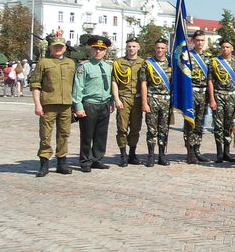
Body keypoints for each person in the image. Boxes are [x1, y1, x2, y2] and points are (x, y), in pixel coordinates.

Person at [30, 35, 75, 177]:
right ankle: (44, 164)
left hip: (66, 104)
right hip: (48, 104)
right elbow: (36, 84)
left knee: (64, 134)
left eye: (60, 46)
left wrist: (75, 104)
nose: (58, 49)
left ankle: (62, 163)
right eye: (55, 46)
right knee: (45, 134)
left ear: (65, 48)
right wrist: (37, 104)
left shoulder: (71, 63)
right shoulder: (43, 62)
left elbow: (75, 85)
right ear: (50, 48)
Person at [72, 35, 114, 172]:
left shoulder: (108, 67)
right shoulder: (84, 67)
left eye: (101, 49)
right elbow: (78, 87)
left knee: (101, 135)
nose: (98, 51)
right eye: (95, 49)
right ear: (91, 50)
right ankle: (85, 161)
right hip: (89, 104)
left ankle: (97, 159)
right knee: (87, 135)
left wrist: (111, 101)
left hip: (104, 104)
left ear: (105, 51)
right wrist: (78, 106)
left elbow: (111, 86)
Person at [139, 38, 173, 167]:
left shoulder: (171, 64)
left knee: (164, 129)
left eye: (162, 48)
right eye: (158, 48)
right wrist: (144, 102)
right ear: (154, 48)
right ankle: (151, 155)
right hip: (152, 99)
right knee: (152, 130)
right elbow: (143, 84)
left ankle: (162, 156)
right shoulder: (148, 63)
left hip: (166, 101)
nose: (160, 50)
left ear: (166, 49)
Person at [112, 37, 145, 167]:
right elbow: (114, 82)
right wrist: (116, 99)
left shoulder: (143, 63)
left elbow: (145, 83)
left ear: (139, 48)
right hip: (124, 98)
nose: (131, 49)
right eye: (129, 46)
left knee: (136, 128)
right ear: (126, 48)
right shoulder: (118, 63)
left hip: (137, 99)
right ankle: (123, 155)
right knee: (122, 128)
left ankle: (132, 154)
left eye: (134, 46)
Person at [207, 38, 235, 163]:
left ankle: (227, 152)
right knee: (218, 126)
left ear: (232, 48)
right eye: (223, 47)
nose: (225, 49)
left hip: (232, 97)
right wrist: (212, 99)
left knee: (229, 125)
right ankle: (219, 153)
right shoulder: (214, 62)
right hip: (219, 96)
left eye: (227, 47)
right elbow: (210, 81)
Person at [185, 30, 211, 164]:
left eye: (202, 40)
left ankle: (197, 149)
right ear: (193, 41)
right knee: (190, 123)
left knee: (200, 124)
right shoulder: (188, 56)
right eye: (198, 40)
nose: (200, 43)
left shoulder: (209, 58)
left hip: (204, 94)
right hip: (191, 93)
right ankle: (190, 152)